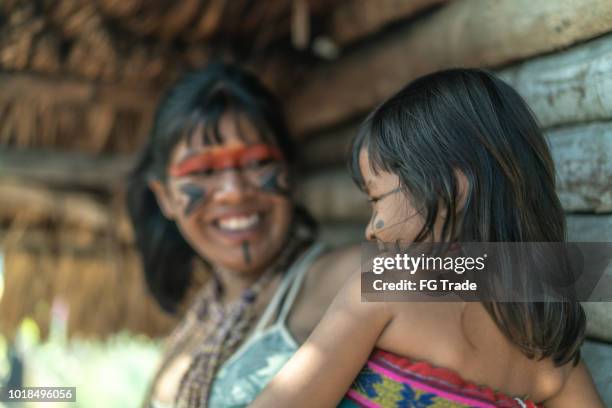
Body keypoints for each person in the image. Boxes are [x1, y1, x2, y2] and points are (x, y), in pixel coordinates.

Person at [251, 69, 604, 407]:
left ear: (455, 184)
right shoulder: (551, 343)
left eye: (376, 200)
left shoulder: (387, 286)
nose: (370, 229)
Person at [126, 63, 358, 408]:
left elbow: (467, 271)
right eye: (203, 171)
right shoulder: (187, 336)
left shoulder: (348, 278)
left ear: (288, 173)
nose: (234, 192)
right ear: (165, 197)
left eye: (256, 163)